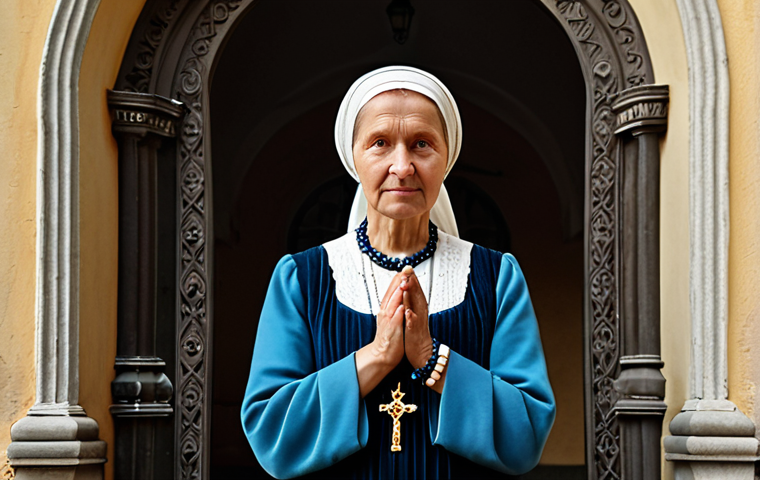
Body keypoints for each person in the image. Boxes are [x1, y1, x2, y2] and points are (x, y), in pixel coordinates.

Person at [241, 66, 555, 479]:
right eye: (380, 143)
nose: (402, 165)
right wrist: (378, 356)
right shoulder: (301, 278)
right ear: (354, 157)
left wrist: (431, 358)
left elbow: (527, 433)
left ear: (447, 159)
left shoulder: (496, 277)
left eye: (422, 144)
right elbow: (271, 431)